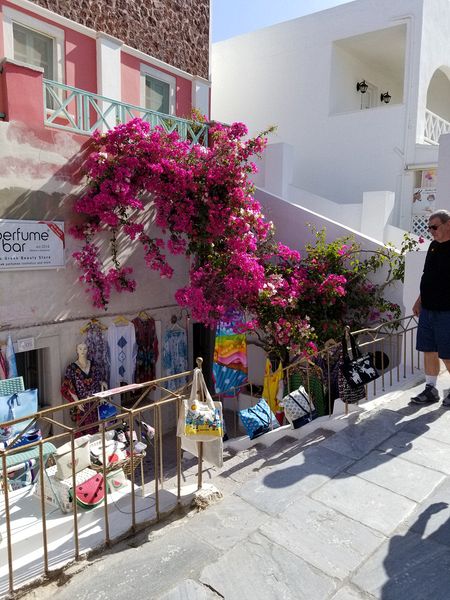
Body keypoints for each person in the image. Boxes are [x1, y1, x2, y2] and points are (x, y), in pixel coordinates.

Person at [411, 209, 450, 405]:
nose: (431, 231)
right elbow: (428, 276)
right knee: (429, 349)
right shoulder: (433, 247)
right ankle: (430, 389)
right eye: (429, 228)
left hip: (447, 310)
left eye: (434, 227)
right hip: (428, 309)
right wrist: (419, 301)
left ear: (448, 224)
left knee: (448, 352)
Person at [61, 342, 107, 435]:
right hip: (82, 404)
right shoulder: (72, 368)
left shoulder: (94, 365)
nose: (82, 351)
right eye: (80, 348)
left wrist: (102, 394)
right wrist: (77, 402)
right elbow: (68, 386)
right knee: (83, 430)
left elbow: (100, 380)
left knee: (98, 427)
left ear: (88, 350)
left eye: (85, 348)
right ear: (77, 351)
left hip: (95, 402)